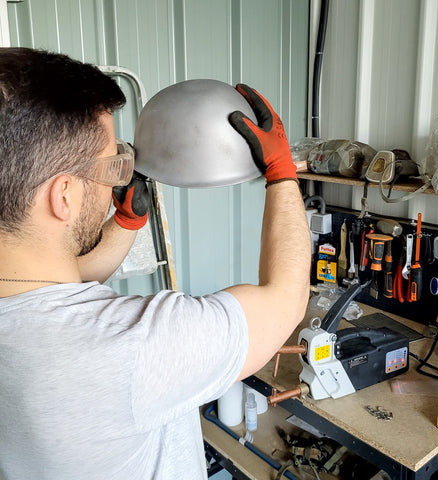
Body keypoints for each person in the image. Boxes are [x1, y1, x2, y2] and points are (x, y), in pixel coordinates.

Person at [0, 47, 310, 480]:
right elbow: (286, 300)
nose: (118, 176)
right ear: (64, 196)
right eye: (111, 165)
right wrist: (283, 174)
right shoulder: (130, 349)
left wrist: (126, 223)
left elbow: (60, 284)